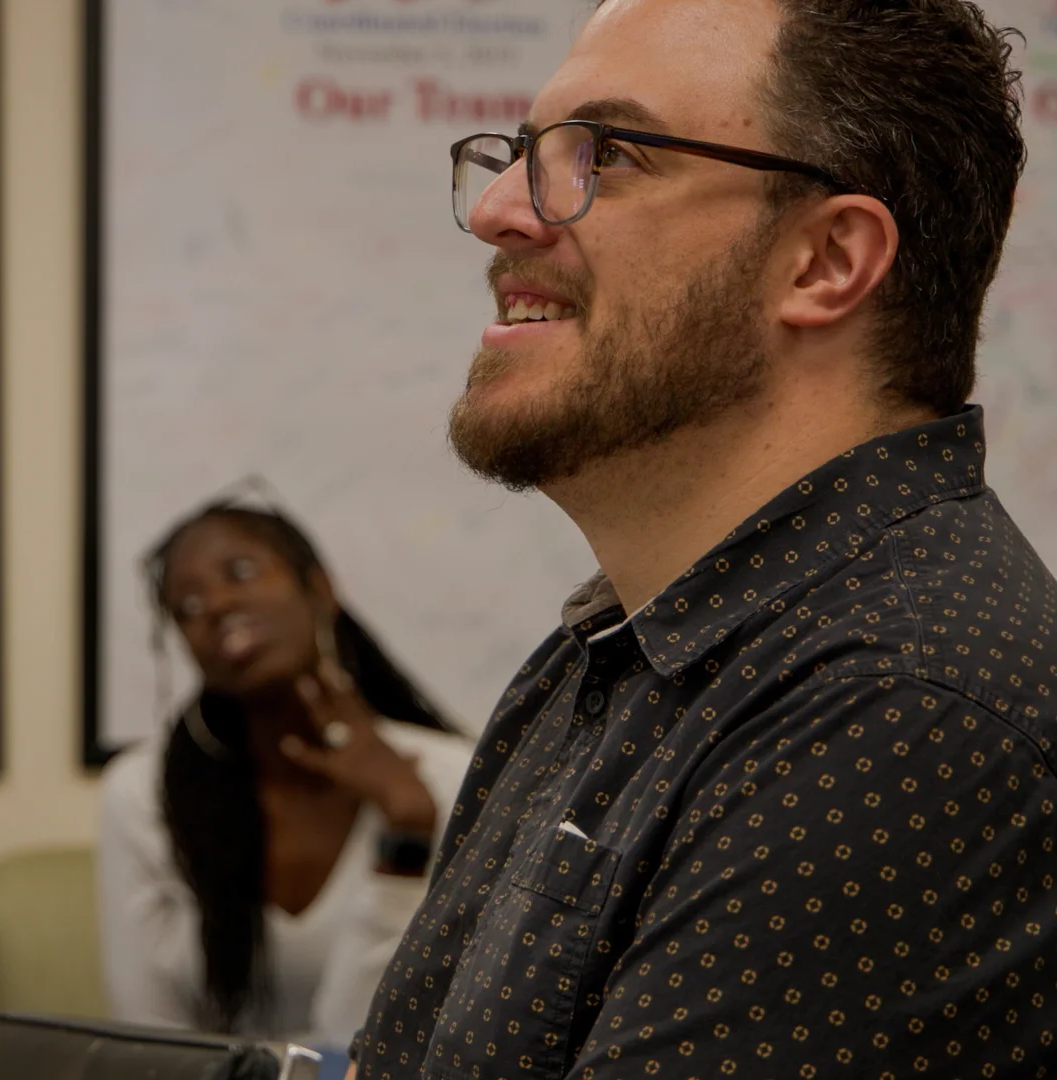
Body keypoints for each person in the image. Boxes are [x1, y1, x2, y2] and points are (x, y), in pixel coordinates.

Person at [345, 1, 1057, 1077]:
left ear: (825, 260)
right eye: (526, 155)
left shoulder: (899, 713)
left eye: (611, 154)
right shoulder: (615, 656)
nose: (498, 211)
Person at [98, 499, 474, 1048]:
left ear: (320, 591)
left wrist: (407, 830)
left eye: (242, 572)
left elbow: (406, 1037)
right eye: (188, 605)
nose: (218, 604)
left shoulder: (450, 778)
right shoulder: (141, 792)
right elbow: (147, 1042)